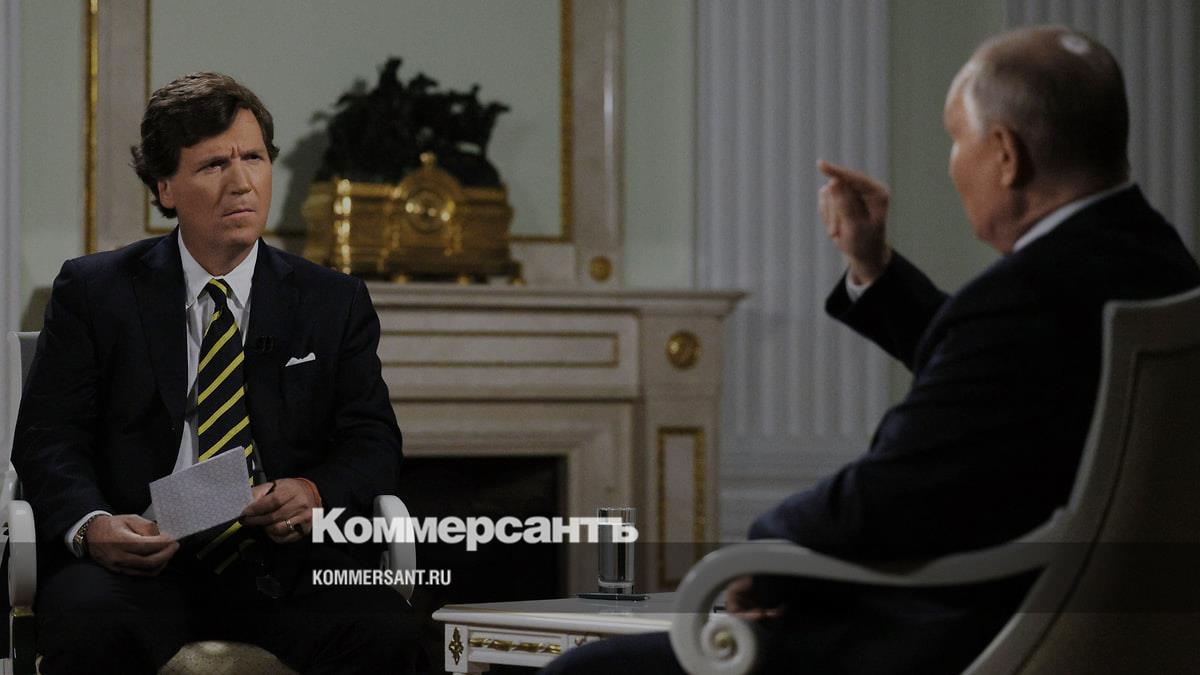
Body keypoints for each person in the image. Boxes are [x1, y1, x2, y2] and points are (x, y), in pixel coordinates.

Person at [544, 25, 1200, 675]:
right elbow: (1005, 380)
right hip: (1098, 629)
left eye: (956, 139)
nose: (952, 162)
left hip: (953, 637)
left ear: (1005, 153)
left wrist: (763, 555)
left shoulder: (1022, 299)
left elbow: (884, 501)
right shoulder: (1161, 263)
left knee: (584, 671)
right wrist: (874, 267)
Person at [12, 72, 423, 673]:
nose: (242, 183)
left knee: (391, 630)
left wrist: (314, 492)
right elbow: (48, 438)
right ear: (165, 187)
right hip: (137, 561)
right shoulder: (94, 291)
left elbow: (372, 440)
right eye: (212, 165)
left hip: (283, 562)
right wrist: (92, 526)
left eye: (253, 158)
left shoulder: (333, 301)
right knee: (90, 627)